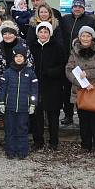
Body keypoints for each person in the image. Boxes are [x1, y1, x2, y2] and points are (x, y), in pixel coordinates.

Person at [65, 26, 95, 159]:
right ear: (79, 38)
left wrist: (89, 74)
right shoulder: (74, 51)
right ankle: (86, 146)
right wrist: (82, 83)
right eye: (83, 36)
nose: (85, 38)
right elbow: (69, 70)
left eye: (88, 35)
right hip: (80, 91)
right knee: (83, 121)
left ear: (92, 37)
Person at [27, 21, 67, 151]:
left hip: (52, 85)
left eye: (46, 32)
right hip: (35, 85)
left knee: (53, 115)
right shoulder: (32, 46)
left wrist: (52, 72)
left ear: (50, 33)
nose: (43, 34)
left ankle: (54, 141)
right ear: (37, 33)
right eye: (41, 31)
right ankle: (38, 141)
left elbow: (63, 65)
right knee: (36, 114)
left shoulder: (57, 46)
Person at [59, 0, 95, 126]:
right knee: (67, 89)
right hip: (67, 59)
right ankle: (68, 115)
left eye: (80, 6)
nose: (77, 8)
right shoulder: (65, 20)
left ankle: (84, 115)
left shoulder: (90, 21)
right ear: (72, 8)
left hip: (83, 59)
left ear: (84, 8)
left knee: (82, 87)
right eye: (75, 6)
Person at [0, 44, 38, 159]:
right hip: (10, 107)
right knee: (10, 129)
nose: (19, 58)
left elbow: (34, 91)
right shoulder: (7, 72)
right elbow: (3, 89)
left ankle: (22, 151)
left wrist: (32, 104)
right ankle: (10, 151)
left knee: (22, 129)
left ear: (25, 58)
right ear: (13, 58)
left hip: (23, 108)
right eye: (17, 56)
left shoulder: (30, 73)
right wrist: (1, 102)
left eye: (21, 56)